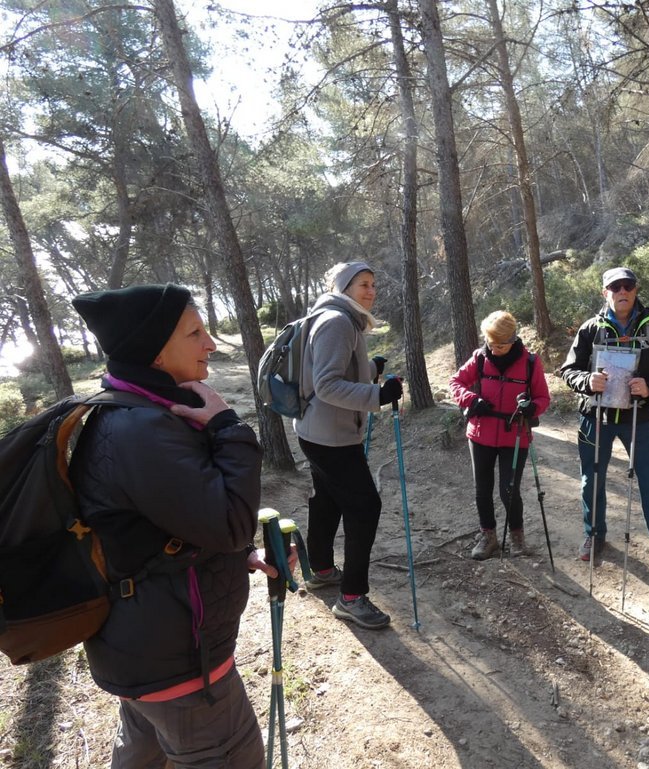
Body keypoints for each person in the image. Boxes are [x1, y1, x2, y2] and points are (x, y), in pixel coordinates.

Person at [70, 284, 277, 768]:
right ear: (156, 354)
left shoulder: (140, 412)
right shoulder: (142, 430)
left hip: (145, 648)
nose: (210, 343)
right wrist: (229, 428)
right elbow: (228, 522)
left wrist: (241, 554)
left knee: (142, 755)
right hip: (180, 665)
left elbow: (161, 527)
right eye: (195, 333)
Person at [558, 266, 649, 590]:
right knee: (592, 483)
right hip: (596, 418)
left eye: (627, 286)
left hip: (639, 419)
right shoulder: (590, 329)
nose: (622, 291)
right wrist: (588, 380)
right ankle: (594, 536)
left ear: (636, 289)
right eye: (615, 287)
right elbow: (569, 369)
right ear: (606, 293)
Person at [294, 261, 403, 630]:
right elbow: (326, 385)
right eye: (363, 284)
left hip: (319, 431)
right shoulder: (337, 322)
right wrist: (379, 393)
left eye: (373, 284)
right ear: (344, 286)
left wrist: (369, 369)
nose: (370, 291)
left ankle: (322, 569)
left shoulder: (336, 317)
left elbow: (329, 374)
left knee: (327, 499)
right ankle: (352, 597)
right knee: (364, 507)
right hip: (332, 437)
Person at [449, 311, 550, 560]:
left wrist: (532, 408)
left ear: (513, 339)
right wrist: (471, 399)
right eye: (490, 344)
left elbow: (543, 397)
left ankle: (517, 537)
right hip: (480, 432)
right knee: (482, 489)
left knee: (509, 489)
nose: (494, 350)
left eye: (500, 345)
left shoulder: (530, 362)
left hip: (514, 435)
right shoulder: (481, 357)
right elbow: (455, 382)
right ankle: (489, 536)